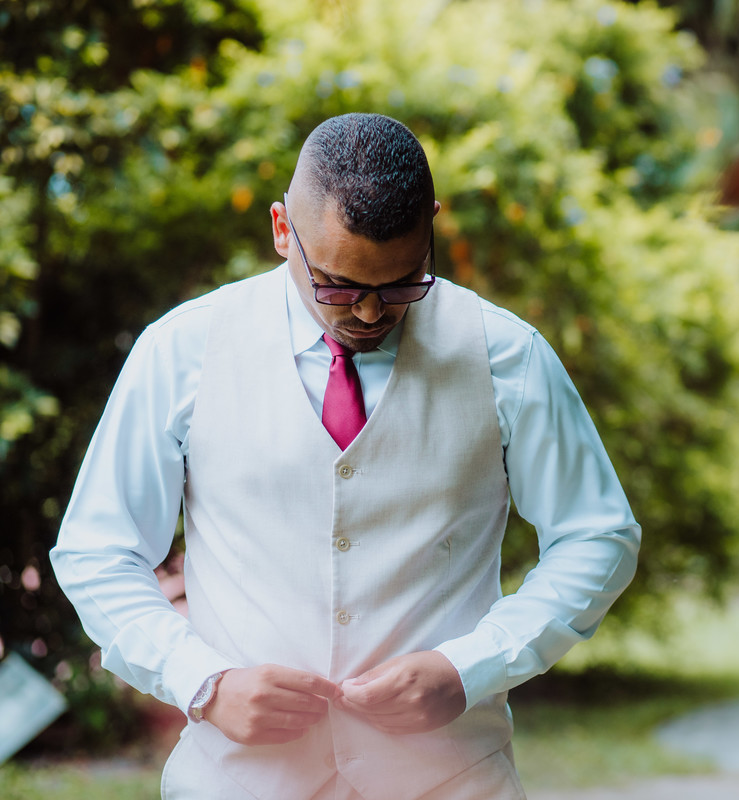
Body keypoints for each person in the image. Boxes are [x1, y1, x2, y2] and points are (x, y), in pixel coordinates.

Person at [50, 112, 640, 800]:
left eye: (400, 284)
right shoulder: (182, 351)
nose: (366, 313)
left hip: (453, 781)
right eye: (336, 285)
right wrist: (202, 683)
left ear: (432, 228)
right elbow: (98, 550)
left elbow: (598, 536)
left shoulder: (507, 357)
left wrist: (471, 666)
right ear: (281, 230)